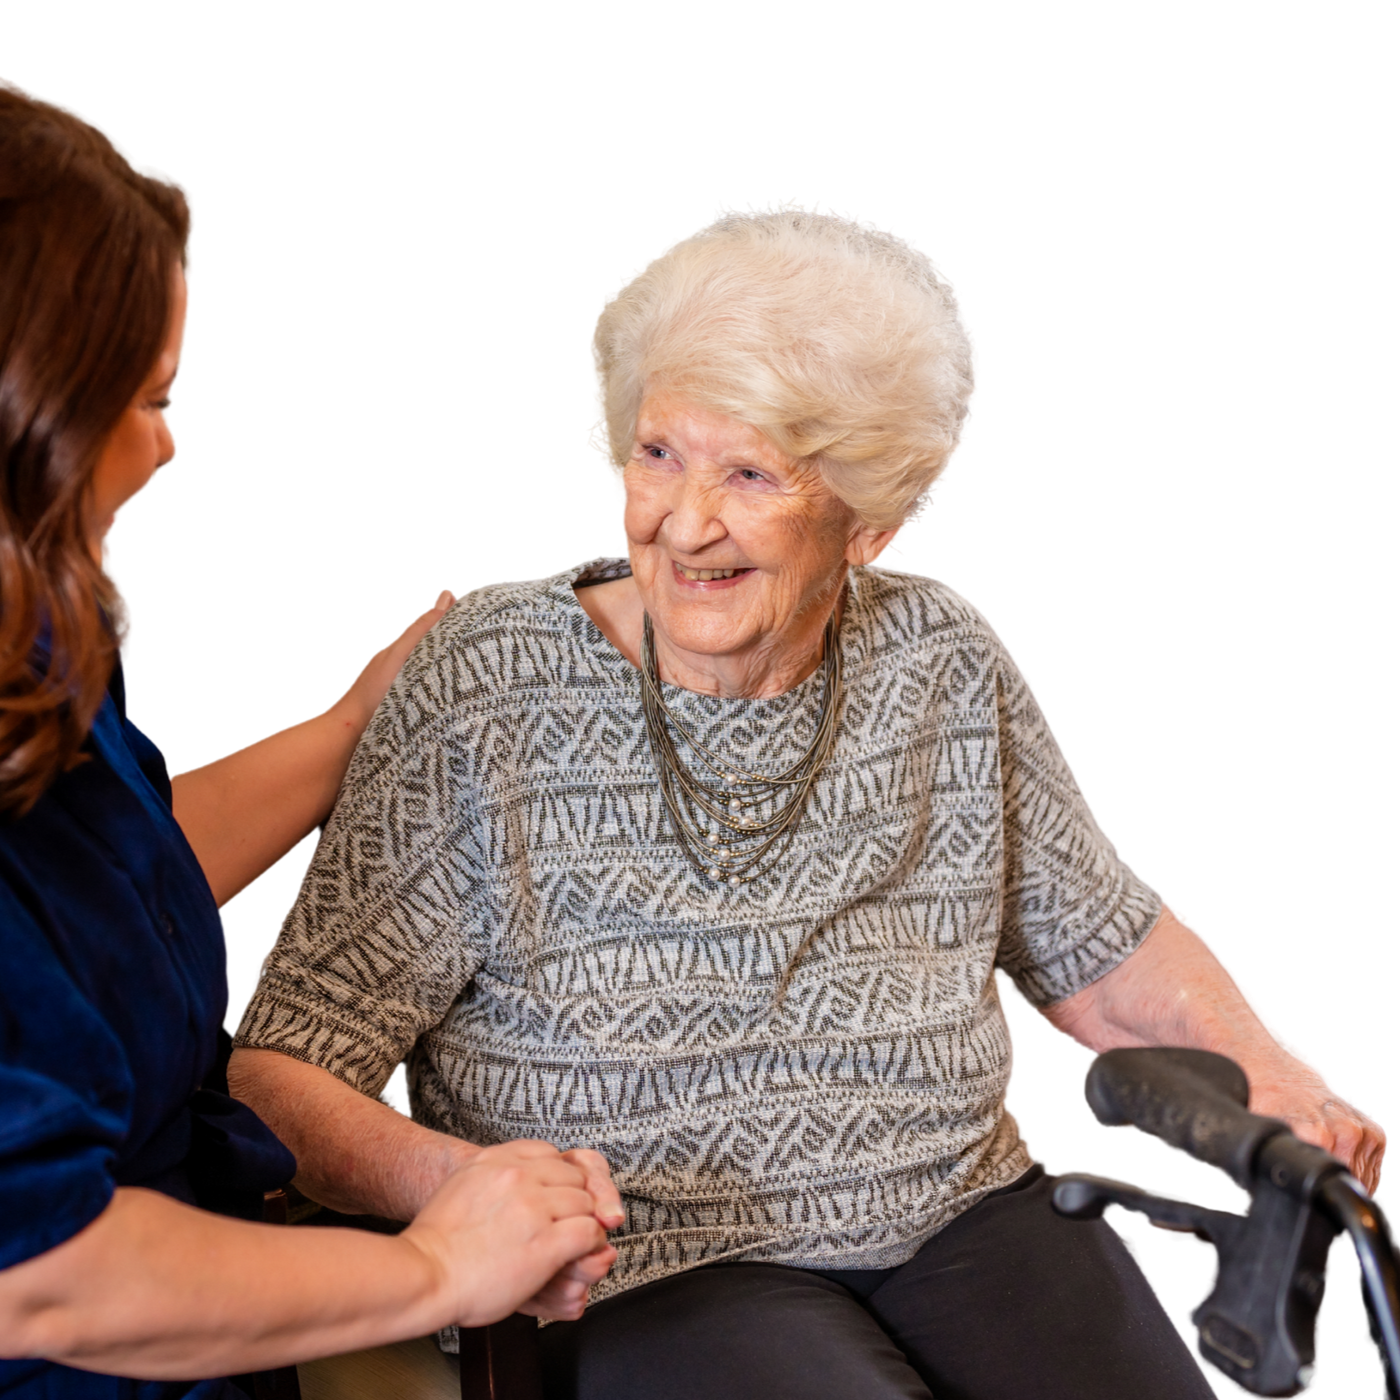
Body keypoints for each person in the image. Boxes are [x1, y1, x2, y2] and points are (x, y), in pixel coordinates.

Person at [227, 200, 1389, 1400]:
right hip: (645, 1261)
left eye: (749, 473)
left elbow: (1098, 945)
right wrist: (450, 1186)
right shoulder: (488, 680)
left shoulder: (941, 653)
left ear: (870, 517)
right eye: (658, 451)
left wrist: (1285, 1080)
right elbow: (281, 1066)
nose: (683, 522)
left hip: (959, 1207)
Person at [0, 77, 625, 1399]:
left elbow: (110, 884)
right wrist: (439, 1264)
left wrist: (357, 726)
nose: (169, 447)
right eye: (153, 395)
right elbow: (42, 1272)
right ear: (29, 408)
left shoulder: (35, 633)